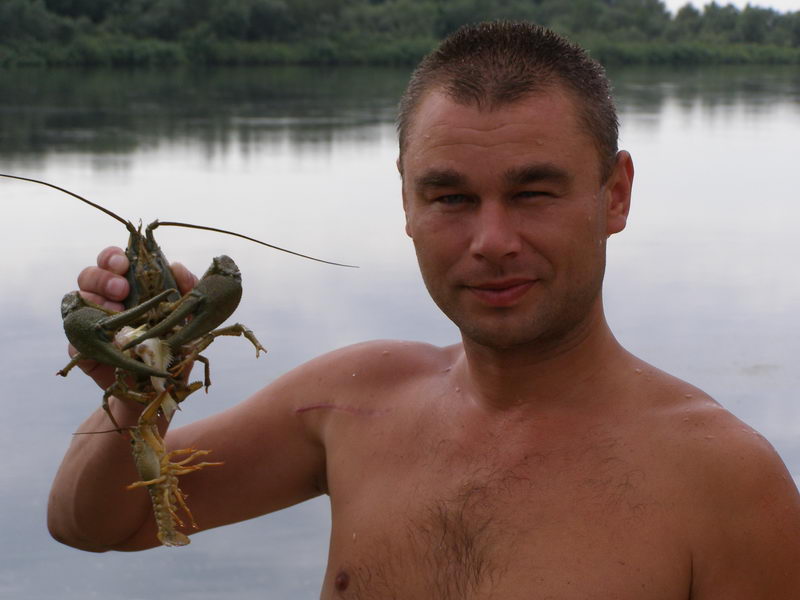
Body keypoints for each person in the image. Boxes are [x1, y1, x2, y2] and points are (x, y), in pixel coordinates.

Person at [48, 21, 800, 599]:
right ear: (407, 202)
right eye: (451, 197)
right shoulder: (351, 400)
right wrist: (137, 387)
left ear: (616, 195)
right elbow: (96, 523)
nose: (492, 241)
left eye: (533, 193)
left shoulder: (726, 481)